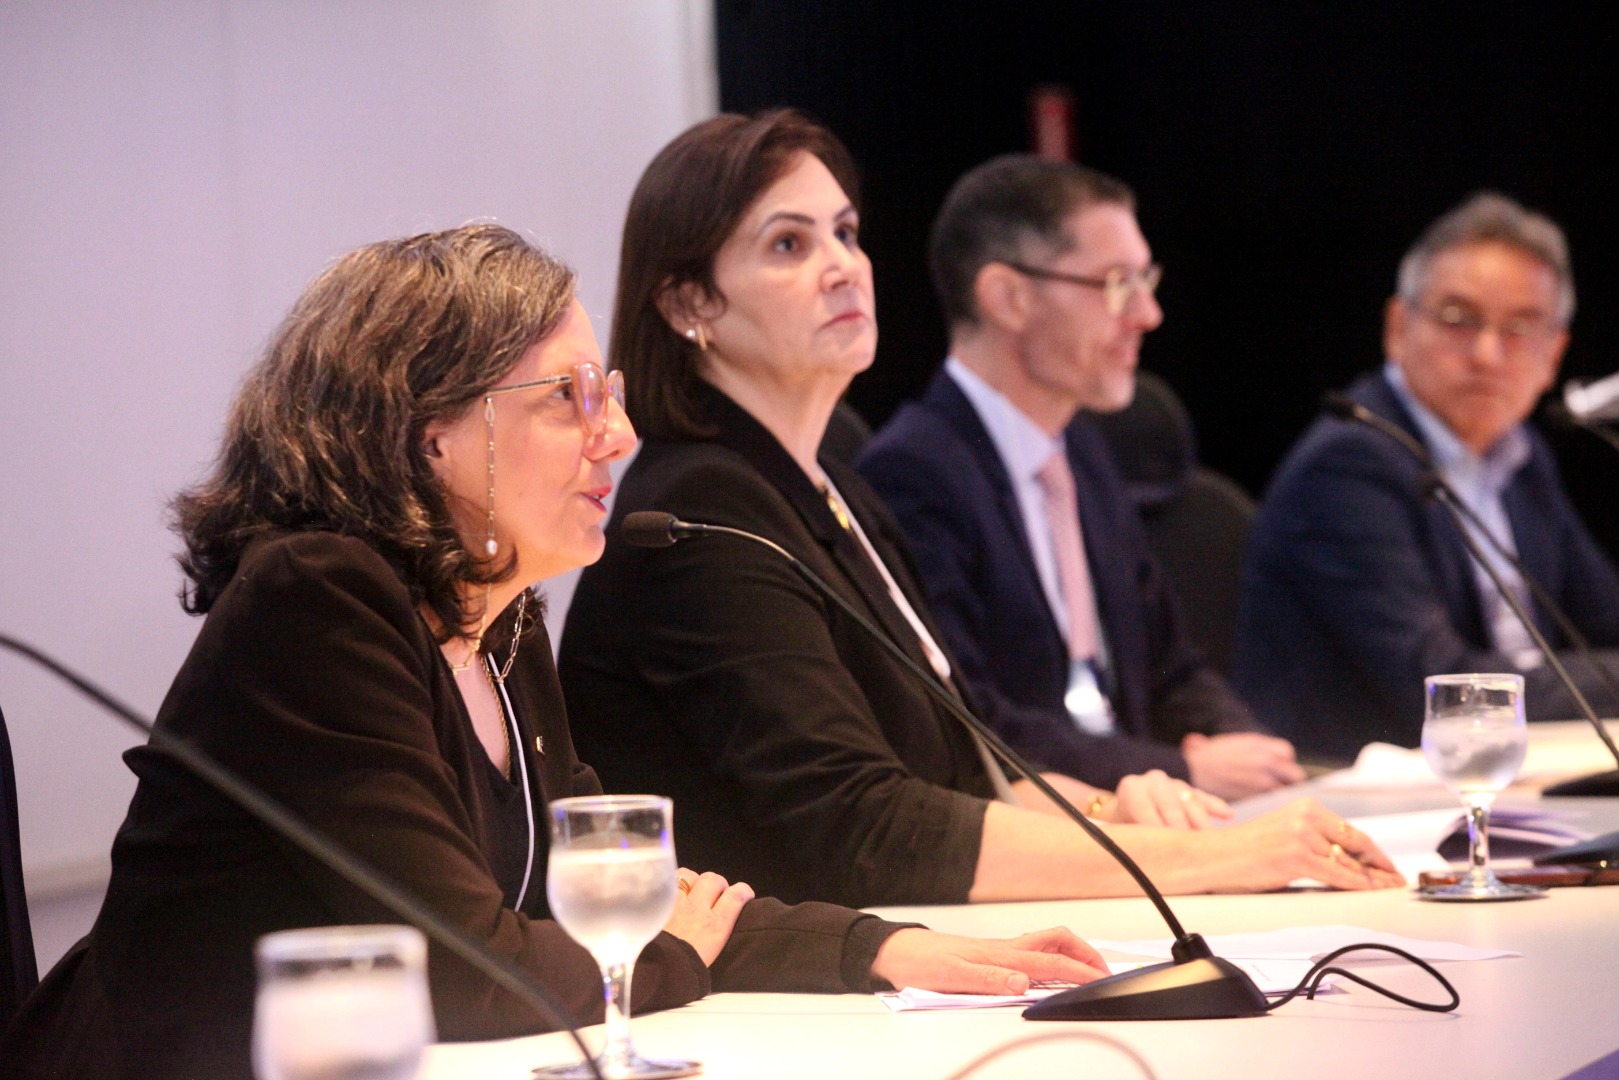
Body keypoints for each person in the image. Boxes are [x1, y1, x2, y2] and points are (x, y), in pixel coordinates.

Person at [0, 225, 1115, 1080]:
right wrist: (669, 955)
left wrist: (871, 948)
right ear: (429, 432)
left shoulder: (498, 614)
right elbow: (475, 970)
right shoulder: (317, 598)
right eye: (569, 398)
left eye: (610, 395)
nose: (617, 436)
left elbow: (614, 892)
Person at [558, 110, 1400, 913]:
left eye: (845, 233)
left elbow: (966, 766)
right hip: (762, 980)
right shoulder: (699, 513)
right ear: (689, 304)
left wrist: (1116, 811)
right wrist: (1218, 859)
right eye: (789, 244)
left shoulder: (832, 489)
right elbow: (861, 823)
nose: (843, 265)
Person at [857, 155, 1303, 801]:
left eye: (1145, 279)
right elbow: (967, 719)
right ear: (1008, 298)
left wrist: (1245, 749)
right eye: (1117, 283)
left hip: (1141, 805)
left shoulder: (1085, 451)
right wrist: (1179, 771)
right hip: (1041, 824)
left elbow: (1169, 665)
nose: (1147, 313)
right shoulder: (912, 473)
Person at [1235, 192, 1619, 762]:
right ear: (1397, 326)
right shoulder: (1349, 465)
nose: (1487, 354)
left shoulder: (1522, 456)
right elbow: (1444, 689)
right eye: (1459, 319)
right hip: (1351, 787)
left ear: (1554, 355)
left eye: (1519, 327)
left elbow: (1601, 624)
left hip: (1502, 768)